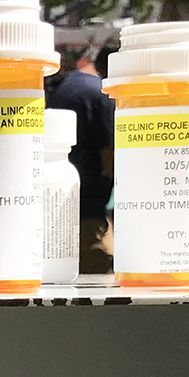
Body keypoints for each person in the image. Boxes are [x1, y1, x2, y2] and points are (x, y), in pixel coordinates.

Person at [47, 47, 116, 276]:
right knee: (98, 273)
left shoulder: (64, 86)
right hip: (89, 216)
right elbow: (111, 160)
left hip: (54, 211)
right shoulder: (101, 93)